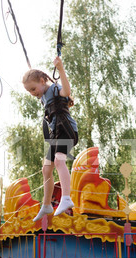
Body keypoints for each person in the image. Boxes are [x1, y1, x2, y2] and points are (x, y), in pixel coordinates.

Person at [23, 56, 78, 222]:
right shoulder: (43, 96)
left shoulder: (54, 88)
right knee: (46, 169)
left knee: (60, 162)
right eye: (29, 91)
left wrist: (60, 69)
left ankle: (66, 198)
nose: (33, 94)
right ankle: (46, 205)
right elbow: (38, 86)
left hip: (66, 130)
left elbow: (66, 92)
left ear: (42, 80)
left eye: (33, 89)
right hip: (55, 134)